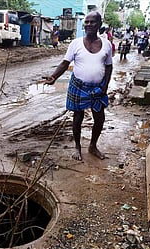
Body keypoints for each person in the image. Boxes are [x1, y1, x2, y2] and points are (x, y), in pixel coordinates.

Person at [43, 11, 113, 161]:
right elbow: (65, 63)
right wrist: (54, 77)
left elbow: (109, 67)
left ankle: (93, 146)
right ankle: (77, 147)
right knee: (77, 117)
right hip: (78, 86)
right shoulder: (75, 44)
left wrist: (105, 86)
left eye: (92, 22)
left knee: (99, 118)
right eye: (86, 22)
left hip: (97, 88)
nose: (88, 25)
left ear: (99, 25)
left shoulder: (106, 44)